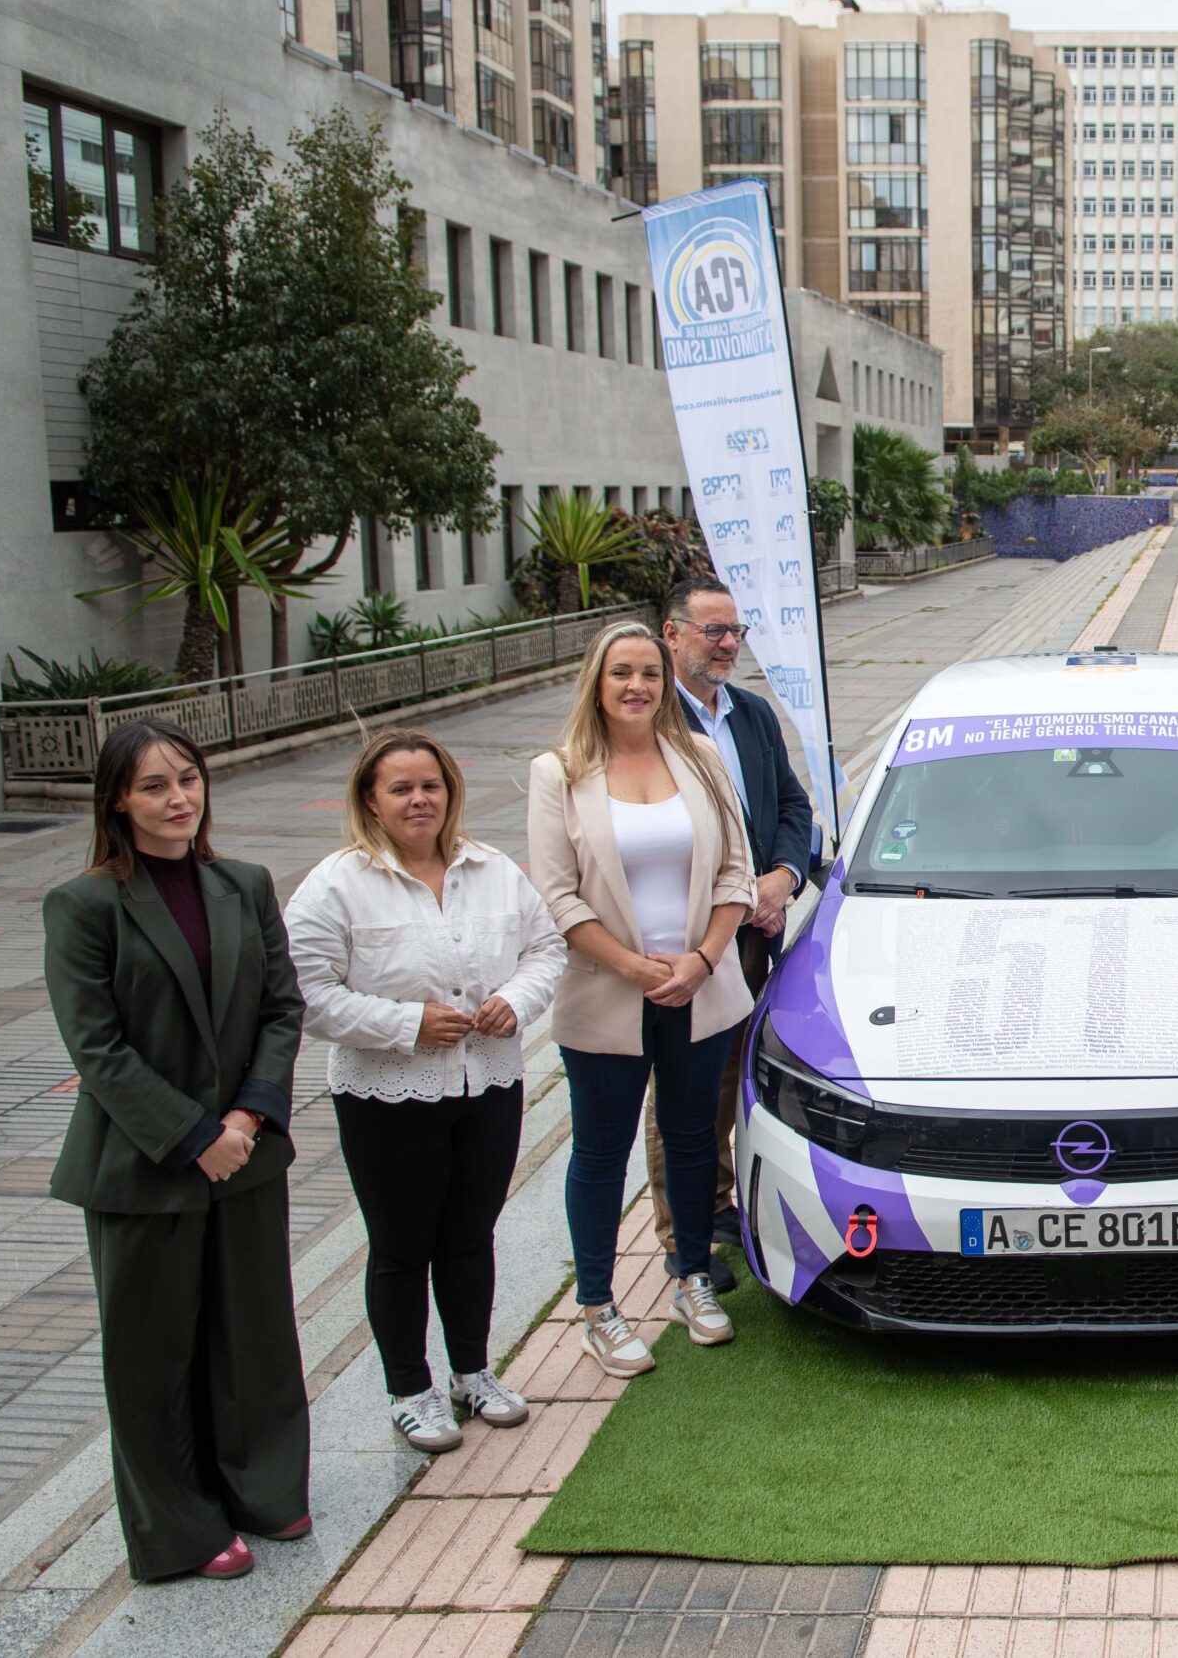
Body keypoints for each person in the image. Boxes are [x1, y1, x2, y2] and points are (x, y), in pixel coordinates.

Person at [41, 720, 310, 1582]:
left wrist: (245, 1122)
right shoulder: (83, 905)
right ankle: (180, 1528)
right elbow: (99, 1049)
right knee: (153, 1357)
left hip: (246, 1153)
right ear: (118, 798)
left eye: (187, 779)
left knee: (256, 1336)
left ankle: (265, 1487)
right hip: (143, 1169)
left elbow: (282, 1008)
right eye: (154, 786)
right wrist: (195, 1137)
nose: (177, 798)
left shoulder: (243, 883)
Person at [286, 732, 566, 1454]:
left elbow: (546, 949)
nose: (419, 800)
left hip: (487, 1081)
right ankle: (410, 1388)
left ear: (450, 792)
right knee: (403, 1246)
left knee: (471, 1235)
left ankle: (473, 1371)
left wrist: (515, 1000)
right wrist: (405, 1023)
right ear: (371, 801)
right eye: (401, 788)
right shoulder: (336, 883)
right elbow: (305, 993)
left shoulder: (492, 869)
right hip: (387, 1096)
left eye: (431, 785)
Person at [529, 622, 756, 1377]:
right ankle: (598, 1306)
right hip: (607, 994)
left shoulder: (697, 755)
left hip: (699, 986)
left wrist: (700, 960)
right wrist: (634, 966)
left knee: (694, 1138)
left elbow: (736, 871)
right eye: (621, 673)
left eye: (650, 675)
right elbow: (557, 898)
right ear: (596, 682)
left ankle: (691, 1277)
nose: (638, 687)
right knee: (600, 1149)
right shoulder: (558, 772)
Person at [649, 576, 815, 1293]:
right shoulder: (649, 726)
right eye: (712, 630)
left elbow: (790, 803)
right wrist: (738, 895)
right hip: (688, 938)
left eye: (735, 632)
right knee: (683, 1093)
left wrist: (782, 875)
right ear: (673, 633)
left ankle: (720, 1208)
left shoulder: (748, 713)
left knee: (731, 1076)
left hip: (753, 935)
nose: (726, 644)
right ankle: (681, 1231)